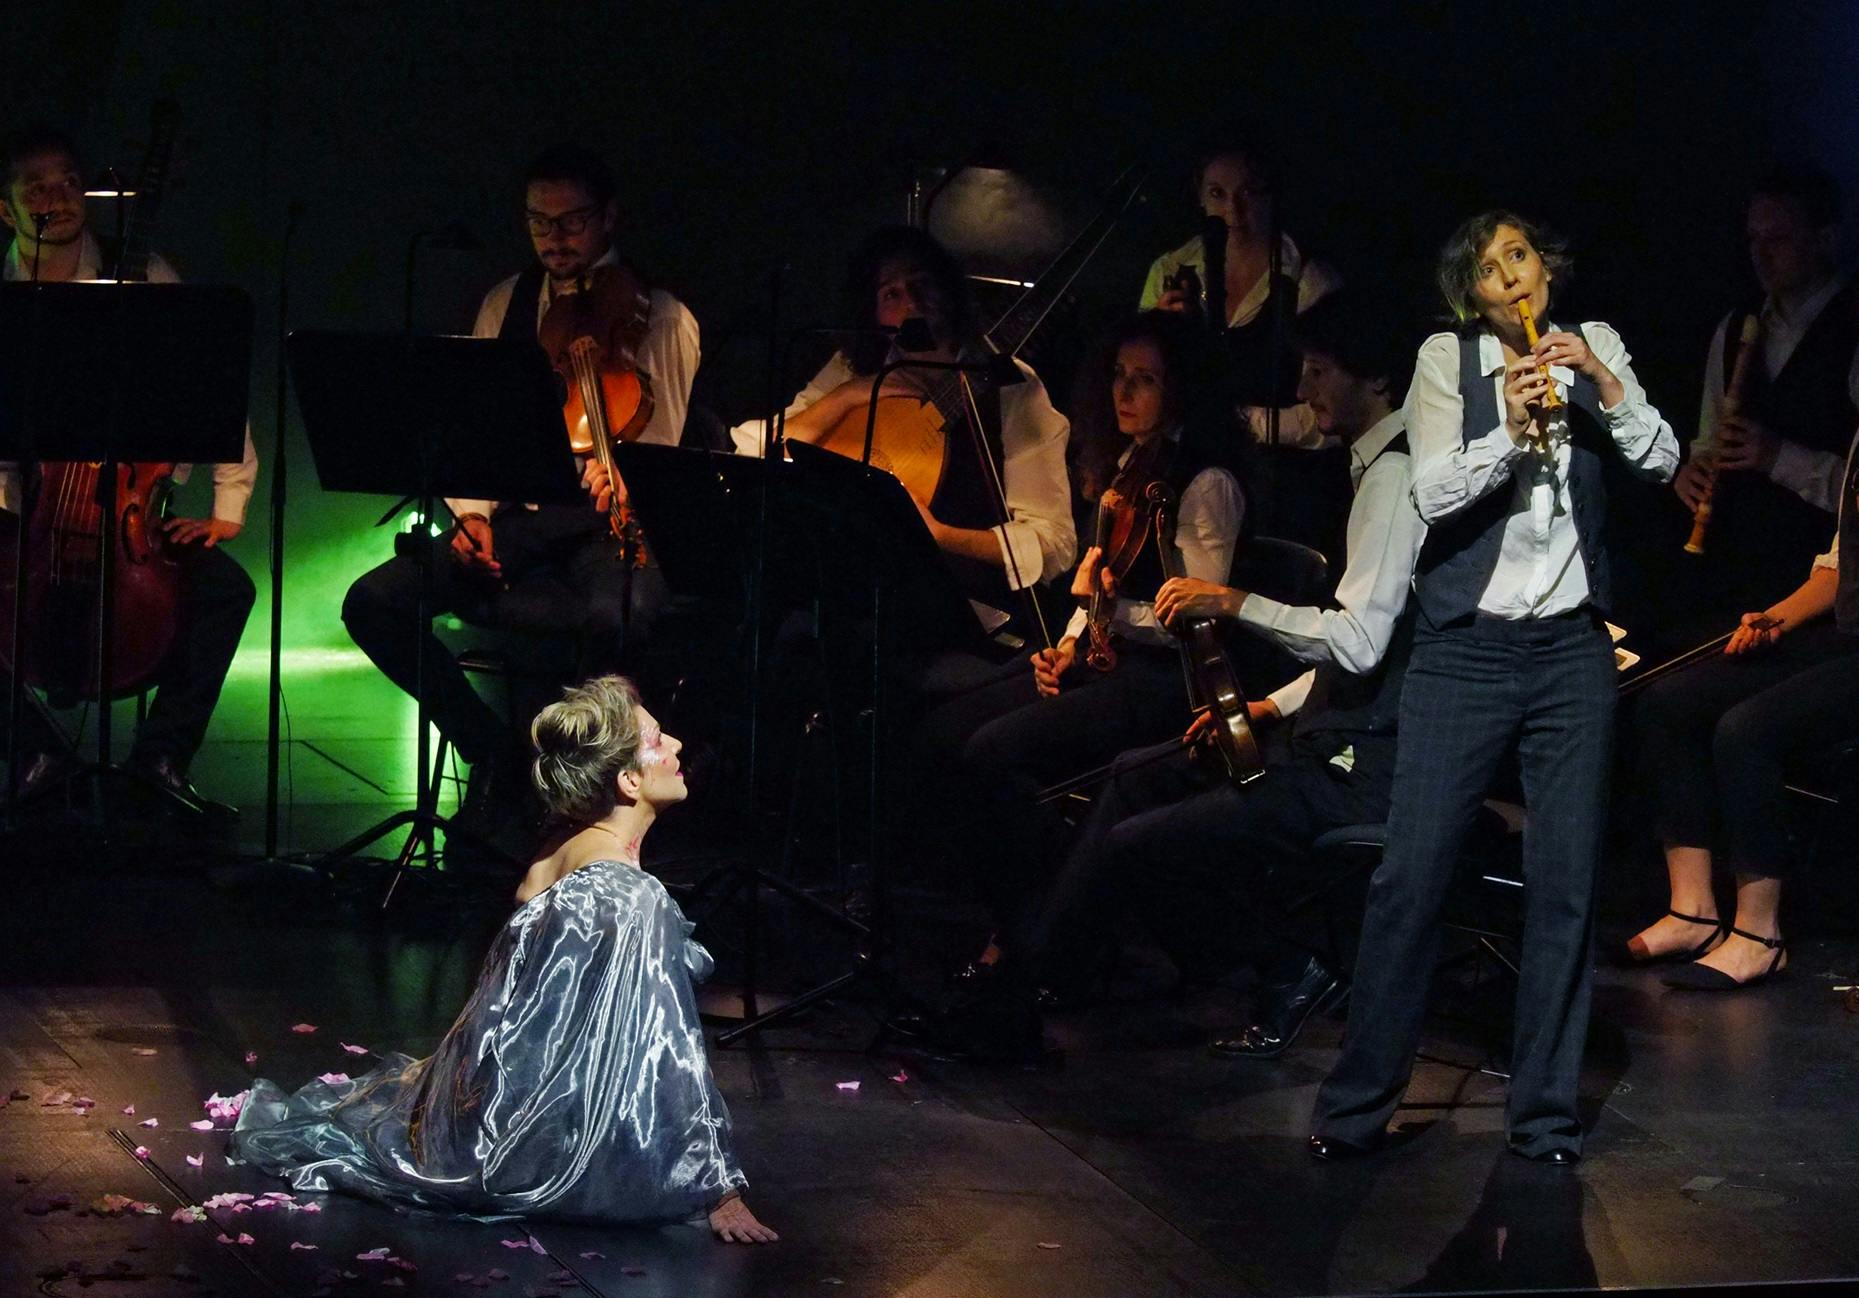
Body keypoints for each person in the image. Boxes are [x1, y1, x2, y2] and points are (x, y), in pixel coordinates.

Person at [1309, 211, 1679, 1166]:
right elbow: (1431, 491)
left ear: (1544, 268)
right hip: (1464, 650)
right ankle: (1356, 1105)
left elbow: (1662, 460)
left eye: (1519, 256)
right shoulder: (1448, 360)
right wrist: (1510, 431)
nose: (1510, 276)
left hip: (1569, 654)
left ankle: (1545, 1116)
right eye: (1487, 269)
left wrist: (1604, 386)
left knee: (1565, 885)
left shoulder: (1595, 343)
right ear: (1470, 296)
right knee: (1411, 875)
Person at [967, 290, 1425, 1059]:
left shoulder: (1392, 477)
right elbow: (1359, 639)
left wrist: (1235, 603)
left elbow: (1359, 643)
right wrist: (1268, 706)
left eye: (1319, 370)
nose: (1303, 387)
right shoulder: (1371, 471)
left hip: (1354, 747)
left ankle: (1056, 970)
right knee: (1122, 780)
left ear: (1375, 378)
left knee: (1136, 822)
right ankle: (1046, 959)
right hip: (1315, 712)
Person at [231, 675, 777, 1241]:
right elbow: (667, 1046)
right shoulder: (630, 896)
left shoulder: (565, 844)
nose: (679, 747)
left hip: (486, 1087)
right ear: (629, 780)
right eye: (659, 741)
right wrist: (715, 1184)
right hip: (525, 1119)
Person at [1623, 237, 1859, 989]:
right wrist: (1778, 617)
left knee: (1747, 728)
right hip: (1858, 638)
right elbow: (1840, 560)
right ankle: (1693, 907)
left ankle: (1759, 932)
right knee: (1669, 701)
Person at [341, 144, 699, 829]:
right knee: (374, 602)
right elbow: (475, 430)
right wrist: (472, 518)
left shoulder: (661, 315)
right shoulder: (507, 301)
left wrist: (623, 474)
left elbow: (663, 443)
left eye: (571, 222)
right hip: (521, 520)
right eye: (539, 222)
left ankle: (586, 793)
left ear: (609, 218)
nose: (553, 238)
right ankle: (494, 753)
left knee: (617, 615)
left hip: (604, 527)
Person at [931, 308, 1247, 983]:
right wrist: (1067, 646)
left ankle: (1040, 932)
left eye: (1146, 380)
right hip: (1108, 659)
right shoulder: (1130, 462)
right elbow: (1101, 576)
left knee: (993, 753)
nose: (1124, 392)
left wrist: (1106, 612)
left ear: (1181, 388)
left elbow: (1198, 613)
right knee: (948, 729)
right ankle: (1040, 910)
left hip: (1164, 678)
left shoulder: (1205, 482)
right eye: (1120, 375)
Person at [0, 124, 257, 815]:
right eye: (36, 188)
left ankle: (161, 758)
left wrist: (228, 502)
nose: (58, 197)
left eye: (68, 181)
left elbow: (208, 384)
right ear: (6, 210)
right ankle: (32, 751)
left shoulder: (144, 272)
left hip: (126, 509)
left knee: (226, 590)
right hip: (22, 506)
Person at [732, 224, 1075, 626]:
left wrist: (942, 536)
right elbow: (754, 451)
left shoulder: (1010, 385)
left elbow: (1054, 542)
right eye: (891, 294)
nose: (912, 303)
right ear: (872, 312)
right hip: (850, 599)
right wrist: (849, 394)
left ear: (947, 291)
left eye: (922, 284)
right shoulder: (855, 368)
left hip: (963, 610)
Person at [1673, 167, 1859, 612]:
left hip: (1823, 584)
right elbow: (1708, 442)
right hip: (1736, 570)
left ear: (1825, 239)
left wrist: (1778, 457)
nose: (1760, 255)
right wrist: (1692, 474)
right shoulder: (1735, 326)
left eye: (1778, 239)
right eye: (1753, 239)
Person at [1139, 130, 1341, 550]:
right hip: (1186, 476)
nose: (1233, 210)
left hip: (1282, 486)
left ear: (1272, 196)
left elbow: (1332, 416)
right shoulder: (1170, 270)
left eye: (1250, 192)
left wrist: (1241, 421)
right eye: (1217, 193)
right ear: (1200, 197)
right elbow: (1136, 382)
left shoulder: (1307, 280)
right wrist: (1159, 331)